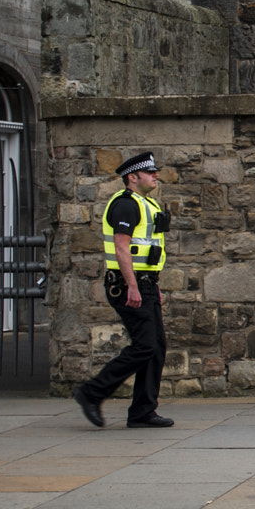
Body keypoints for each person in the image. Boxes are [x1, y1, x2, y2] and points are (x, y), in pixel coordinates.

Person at [73, 152, 174, 428]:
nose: (155, 175)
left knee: (156, 347)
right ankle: (91, 393)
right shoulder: (125, 206)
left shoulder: (147, 204)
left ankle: (143, 411)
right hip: (128, 284)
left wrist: (154, 285)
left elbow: (147, 250)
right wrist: (132, 285)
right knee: (144, 346)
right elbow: (121, 248)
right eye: (149, 172)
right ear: (133, 177)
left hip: (146, 284)